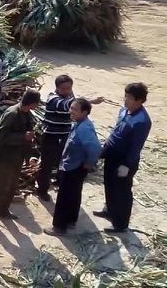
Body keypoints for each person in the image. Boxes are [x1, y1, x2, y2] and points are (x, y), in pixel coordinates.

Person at [93, 83, 151, 234]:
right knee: (109, 184)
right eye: (125, 96)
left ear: (139, 100)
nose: (126, 100)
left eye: (130, 98)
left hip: (124, 159)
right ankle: (110, 211)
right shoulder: (124, 111)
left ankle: (121, 224)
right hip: (112, 153)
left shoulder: (142, 121)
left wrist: (127, 165)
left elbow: (136, 146)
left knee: (122, 191)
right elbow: (116, 129)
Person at [37, 75, 104, 201]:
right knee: (46, 164)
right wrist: (89, 101)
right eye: (64, 88)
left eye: (69, 88)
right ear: (57, 88)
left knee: (63, 160)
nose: (67, 91)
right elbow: (67, 105)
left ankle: (59, 182)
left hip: (65, 134)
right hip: (51, 135)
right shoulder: (53, 98)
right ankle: (42, 190)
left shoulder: (70, 95)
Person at [0, 88, 41, 231]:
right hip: (5, 156)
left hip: (17, 155)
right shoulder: (12, 114)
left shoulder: (27, 114)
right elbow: (2, 135)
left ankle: (4, 210)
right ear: (33, 103)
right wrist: (23, 137)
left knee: (12, 185)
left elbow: (28, 136)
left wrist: (30, 155)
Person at [43, 98, 102, 236]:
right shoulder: (79, 124)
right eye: (71, 108)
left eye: (75, 109)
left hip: (74, 167)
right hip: (74, 165)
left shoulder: (84, 129)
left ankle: (59, 227)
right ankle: (70, 220)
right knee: (73, 195)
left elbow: (94, 148)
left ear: (85, 112)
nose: (70, 111)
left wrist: (90, 162)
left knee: (64, 197)